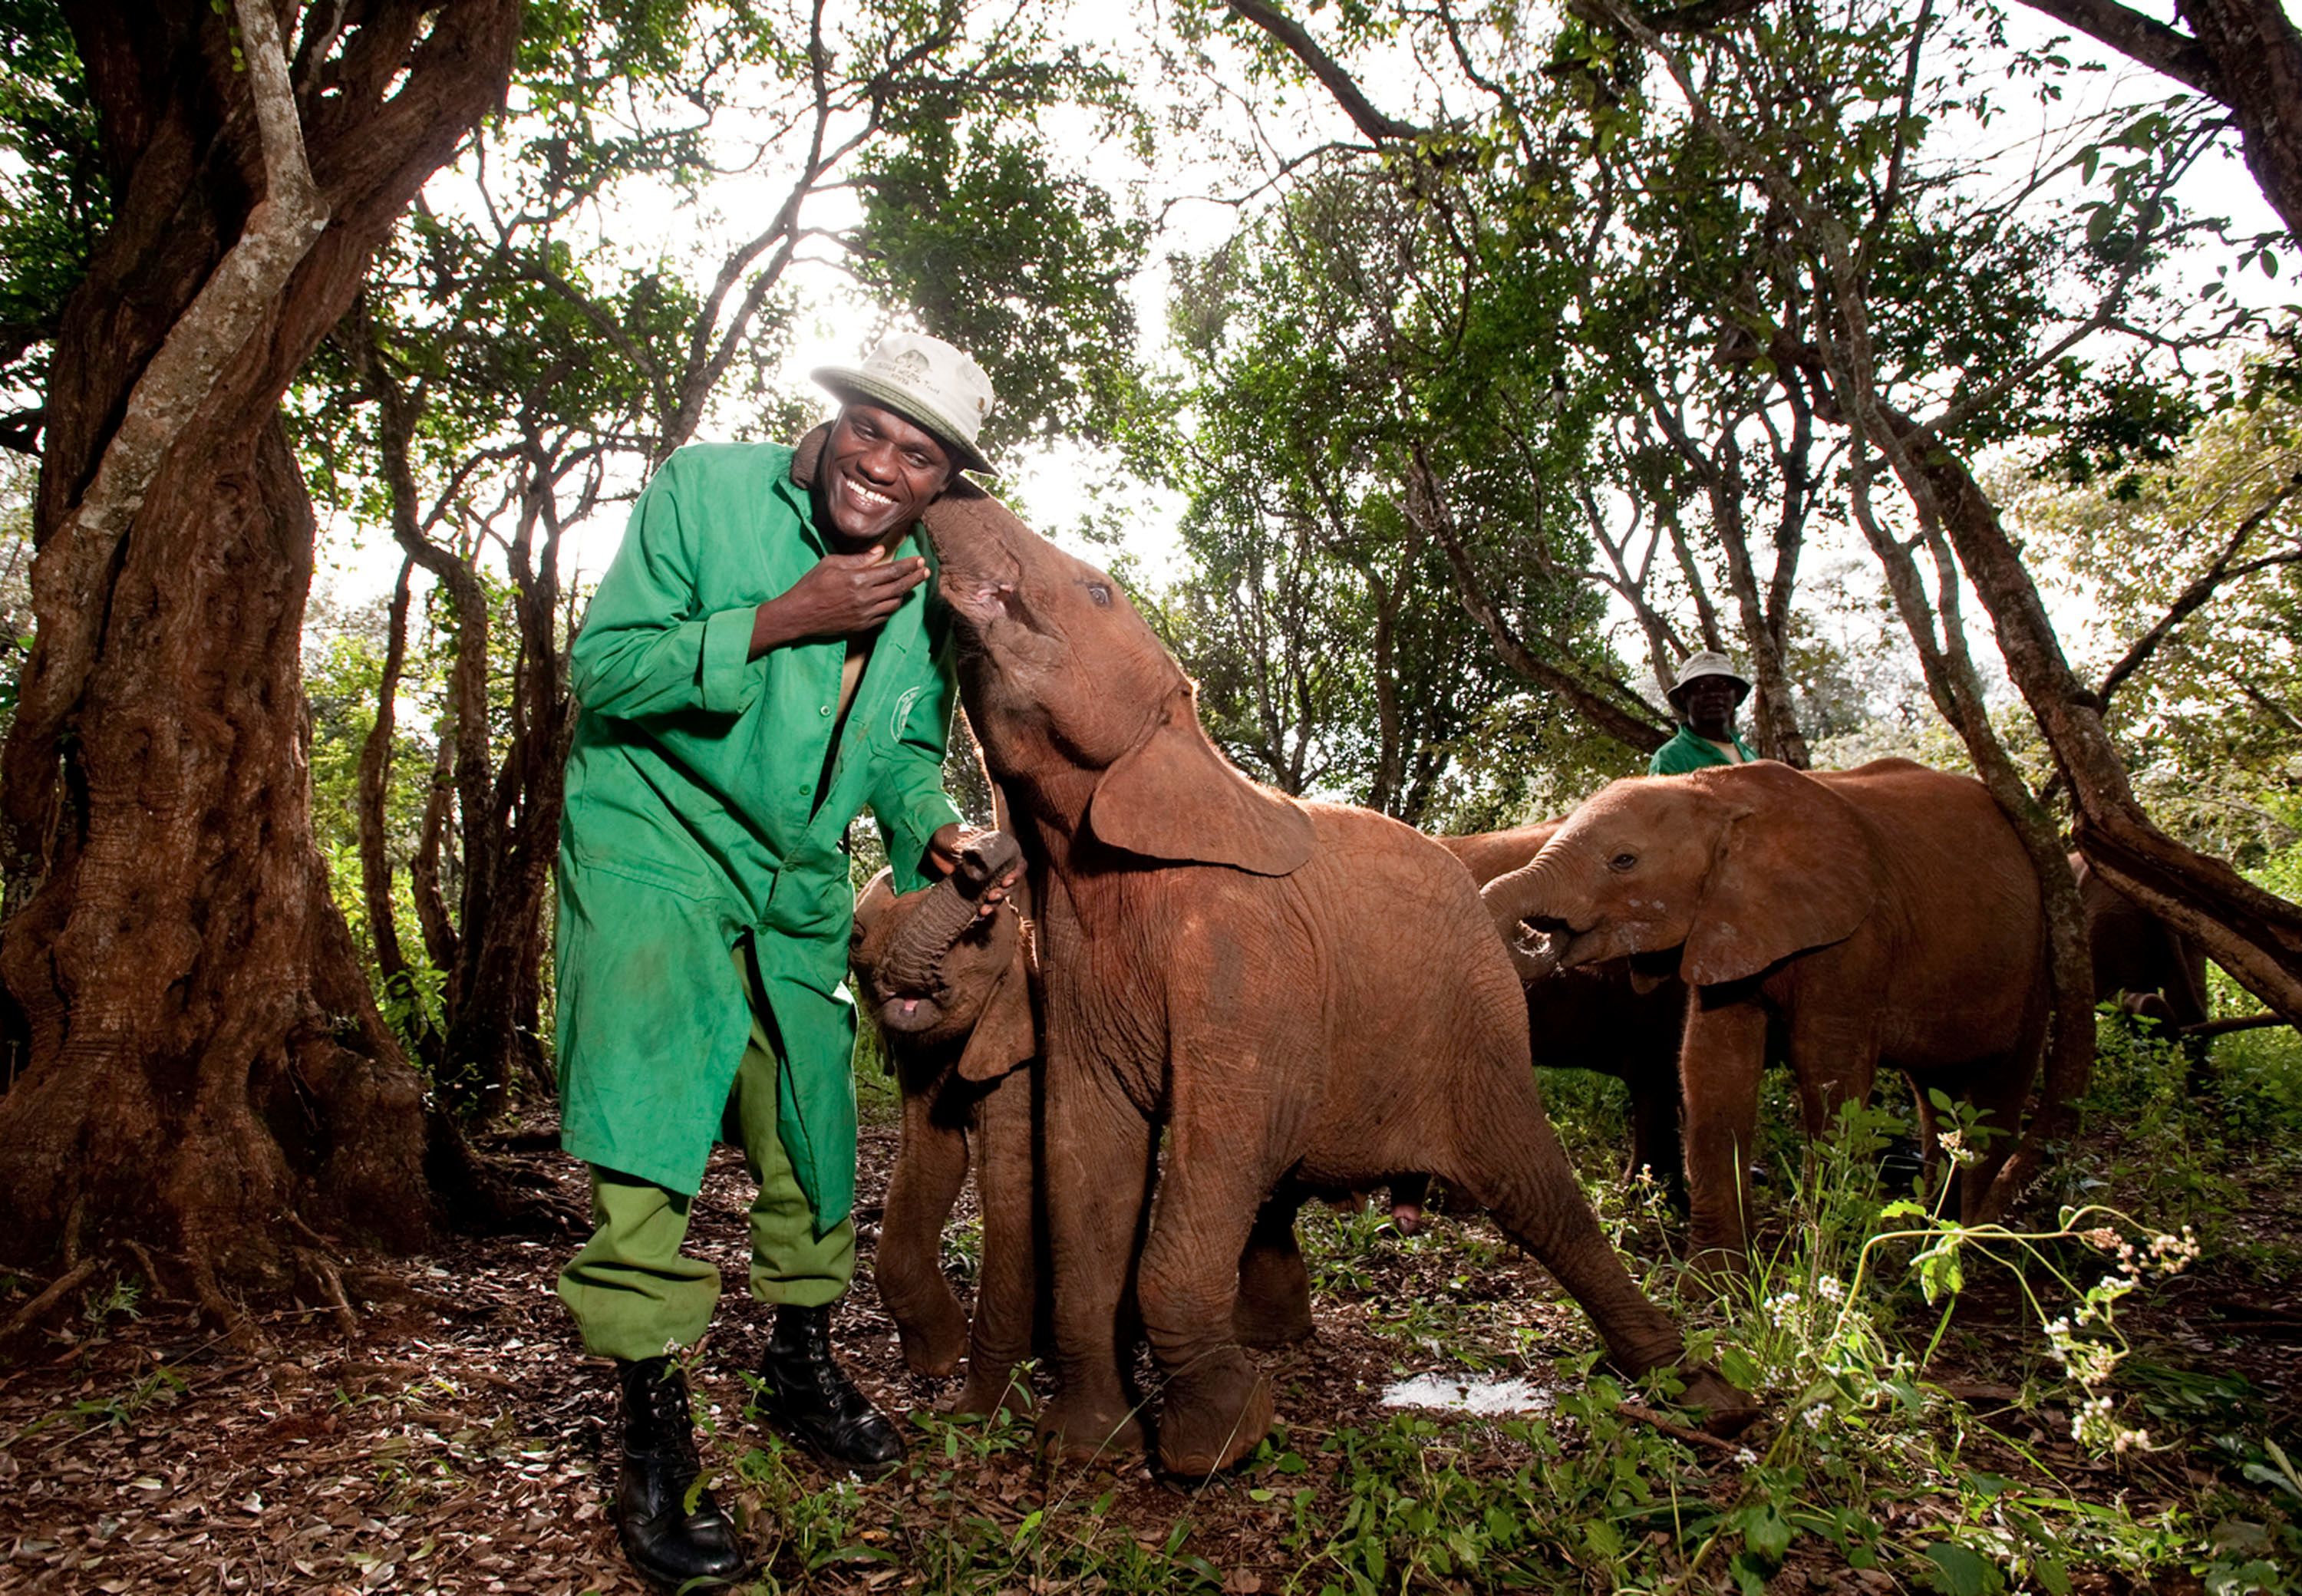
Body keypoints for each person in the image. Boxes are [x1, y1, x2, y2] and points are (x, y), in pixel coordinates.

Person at [552, 333, 997, 1589]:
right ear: (839, 418)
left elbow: (904, 755)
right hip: (657, 842)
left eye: (919, 457)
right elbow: (604, 674)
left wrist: (939, 826)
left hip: (795, 878)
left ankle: (797, 1363)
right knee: (648, 1130)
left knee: (813, 1133)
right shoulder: (707, 493)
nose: (883, 468)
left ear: (939, 479)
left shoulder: (919, 591)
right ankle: (653, 1426)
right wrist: (777, 621)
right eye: (873, 432)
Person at [1649, 651, 1759, 775]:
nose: (1713, 694)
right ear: (1684, 698)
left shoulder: (1751, 756)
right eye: (1701, 686)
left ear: (1735, 696)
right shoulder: (1670, 758)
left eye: (1722, 685)